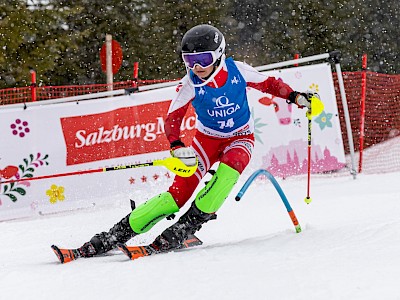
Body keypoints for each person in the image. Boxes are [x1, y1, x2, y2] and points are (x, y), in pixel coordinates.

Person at [71, 24, 314, 258]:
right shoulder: (189, 83)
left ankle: (185, 228)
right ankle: (115, 235)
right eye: (189, 61)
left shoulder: (237, 70)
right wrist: (176, 145)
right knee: (176, 196)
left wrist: (295, 96)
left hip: (240, 138)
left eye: (204, 60)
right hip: (205, 142)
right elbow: (173, 118)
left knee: (228, 174)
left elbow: (270, 83)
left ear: (219, 56)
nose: (196, 67)